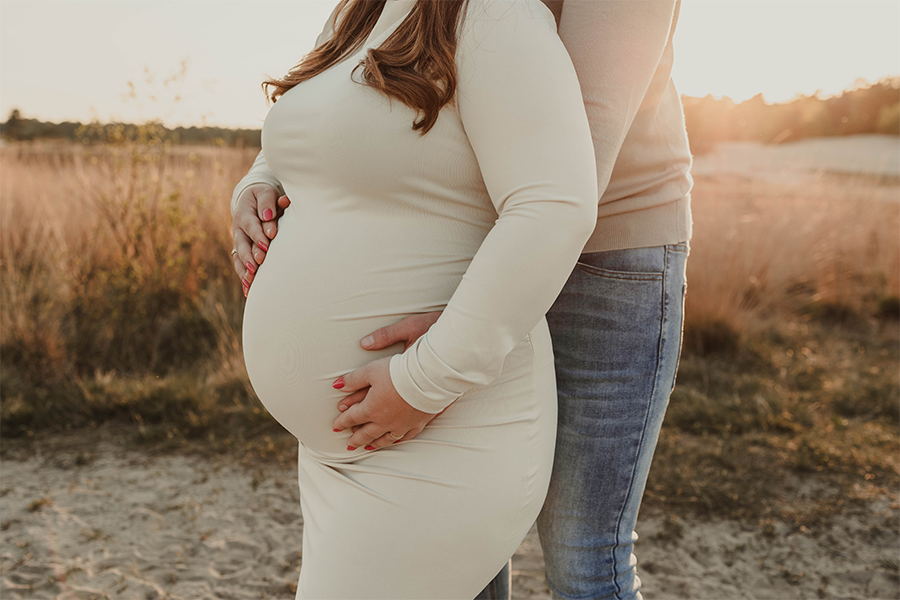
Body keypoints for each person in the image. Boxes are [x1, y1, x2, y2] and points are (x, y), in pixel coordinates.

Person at [236, 1, 693, 598]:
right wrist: (266, 176)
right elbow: (334, 87)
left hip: (603, 254)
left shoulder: (499, 16)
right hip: (494, 232)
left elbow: (575, 153)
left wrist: (463, 323)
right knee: (468, 563)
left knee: (583, 553)